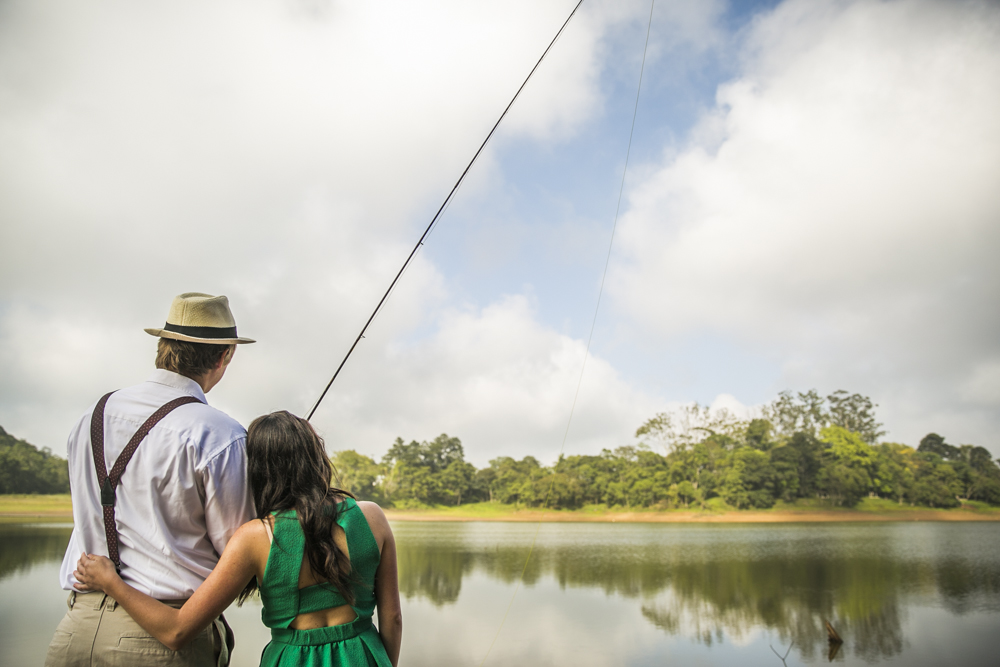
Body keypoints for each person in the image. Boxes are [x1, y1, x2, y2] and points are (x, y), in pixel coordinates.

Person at [73, 410, 403, 667]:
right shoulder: (371, 517)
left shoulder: (255, 538)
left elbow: (176, 631)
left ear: (256, 470)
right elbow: (392, 618)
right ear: (316, 456)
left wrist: (110, 582)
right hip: (366, 654)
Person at [45, 292, 257, 667]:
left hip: (76, 629)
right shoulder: (220, 434)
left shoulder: (92, 415)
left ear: (163, 346)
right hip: (162, 638)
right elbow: (237, 553)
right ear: (224, 356)